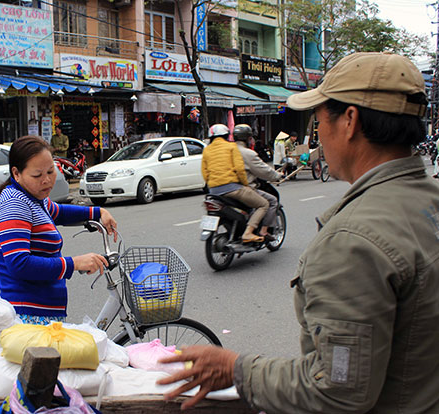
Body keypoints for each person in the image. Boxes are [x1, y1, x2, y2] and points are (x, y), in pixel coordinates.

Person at [158, 52, 439, 413]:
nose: (318, 133)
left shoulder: (354, 239)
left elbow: (337, 389)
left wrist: (236, 369)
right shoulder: (428, 199)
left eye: (319, 121)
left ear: (350, 120)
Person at [0, 136, 118, 325]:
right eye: (37, 175)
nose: (47, 180)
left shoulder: (33, 198)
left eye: (51, 171)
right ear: (16, 174)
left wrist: (98, 212)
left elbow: (59, 211)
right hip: (29, 315)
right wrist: (74, 263)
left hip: (45, 311)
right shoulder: (14, 204)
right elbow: (19, 264)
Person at [202, 124, 267, 243]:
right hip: (232, 188)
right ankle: (248, 232)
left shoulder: (207, 150)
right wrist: (245, 184)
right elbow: (240, 169)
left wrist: (212, 185)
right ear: (227, 135)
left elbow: (205, 172)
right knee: (263, 204)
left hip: (214, 191)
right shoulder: (231, 147)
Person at [232, 124, 284, 240]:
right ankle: (263, 231)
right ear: (248, 138)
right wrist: (277, 176)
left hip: (225, 187)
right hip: (244, 188)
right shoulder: (248, 153)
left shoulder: (226, 150)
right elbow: (263, 170)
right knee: (270, 201)